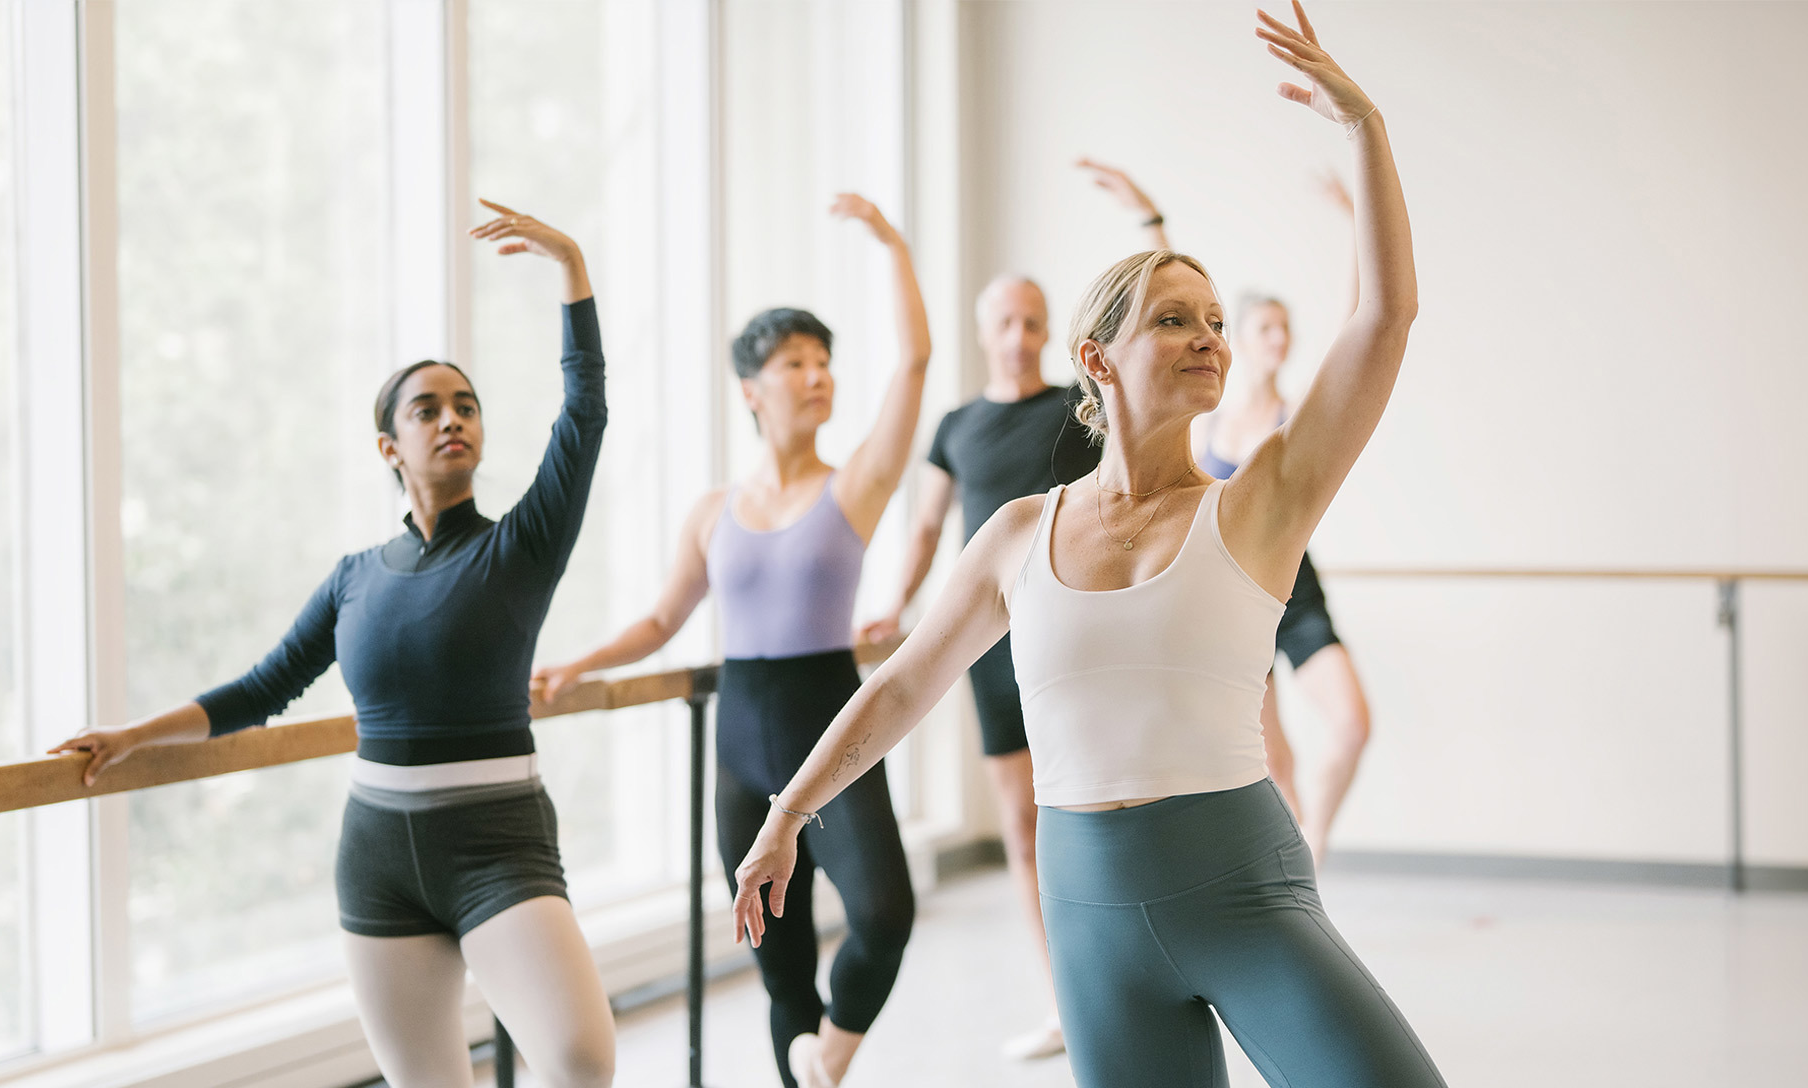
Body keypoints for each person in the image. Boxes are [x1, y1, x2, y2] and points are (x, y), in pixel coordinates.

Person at [734, 8, 1445, 1085]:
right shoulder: (1020, 532)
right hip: (1088, 913)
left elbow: (1384, 316)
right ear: (1095, 360)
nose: (1207, 337)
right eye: (1173, 319)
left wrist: (1364, 124)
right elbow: (902, 682)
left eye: (1213, 319)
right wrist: (789, 809)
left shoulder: (1258, 503)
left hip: (1243, 888)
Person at [49, 203, 616, 1088]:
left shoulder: (521, 545)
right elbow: (260, 689)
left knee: (580, 1060)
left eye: (465, 405)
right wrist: (131, 737)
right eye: (427, 409)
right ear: (391, 445)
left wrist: (570, 266)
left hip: (499, 845)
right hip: (379, 859)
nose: (451, 418)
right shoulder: (356, 577)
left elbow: (584, 415)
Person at [533, 194, 930, 1088]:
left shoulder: (855, 486)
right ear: (752, 390)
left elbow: (914, 363)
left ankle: (830, 1054)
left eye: (825, 361)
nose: (818, 375)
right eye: (796, 362)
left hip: (834, 728)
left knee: (882, 912)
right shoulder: (713, 513)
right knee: (777, 959)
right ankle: (806, 1068)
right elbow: (662, 621)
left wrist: (894, 247)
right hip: (742, 743)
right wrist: (579, 664)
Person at [1077, 155, 1374, 864]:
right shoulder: (1202, 418)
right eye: (1260, 327)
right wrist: (1151, 222)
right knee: (1273, 759)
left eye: (1281, 329)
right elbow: (1156, 313)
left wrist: (1358, 225)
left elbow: (1359, 334)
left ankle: (1317, 841)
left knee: (1352, 725)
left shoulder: (1294, 421)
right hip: (1228, 588)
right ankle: (1295, 864)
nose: (1275, 339)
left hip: (1293, 584)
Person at [859, 273, 1099, 1060]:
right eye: (1006, 321)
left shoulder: (1076, 405)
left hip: (1075, 635)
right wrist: (894, 604)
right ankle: (1065, 1001)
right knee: (1024, 827)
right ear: (983, 328)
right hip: (994, 646)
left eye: (1034, 321)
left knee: (1094, 811)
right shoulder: (956, 424)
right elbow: (927, 527)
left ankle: (1118, 983)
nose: (1020, 335)